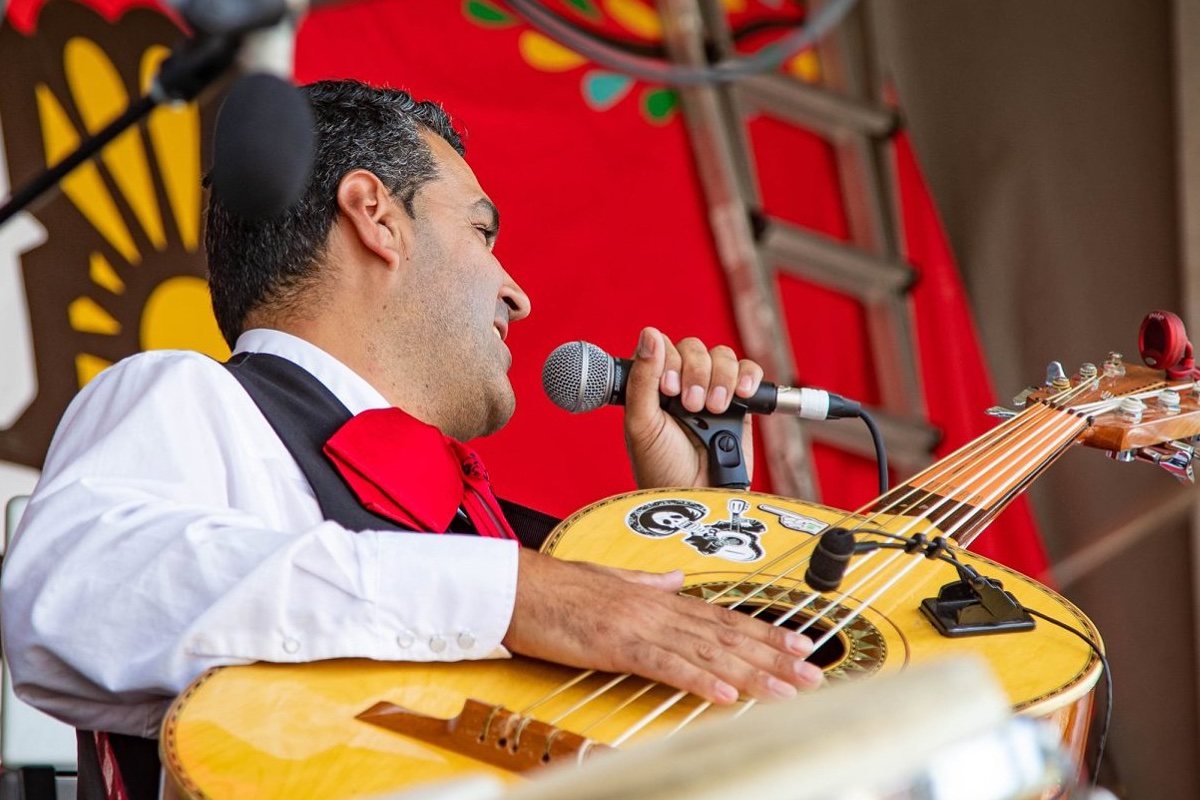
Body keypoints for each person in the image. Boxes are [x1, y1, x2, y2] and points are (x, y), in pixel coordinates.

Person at [0, 79, 822, 797]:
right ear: (376, 216)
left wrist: (694, 519)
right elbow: (72, 596)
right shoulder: (194, 399)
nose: (518, 294)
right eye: (482, 231)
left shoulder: (493, 530)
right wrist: (520, 596)